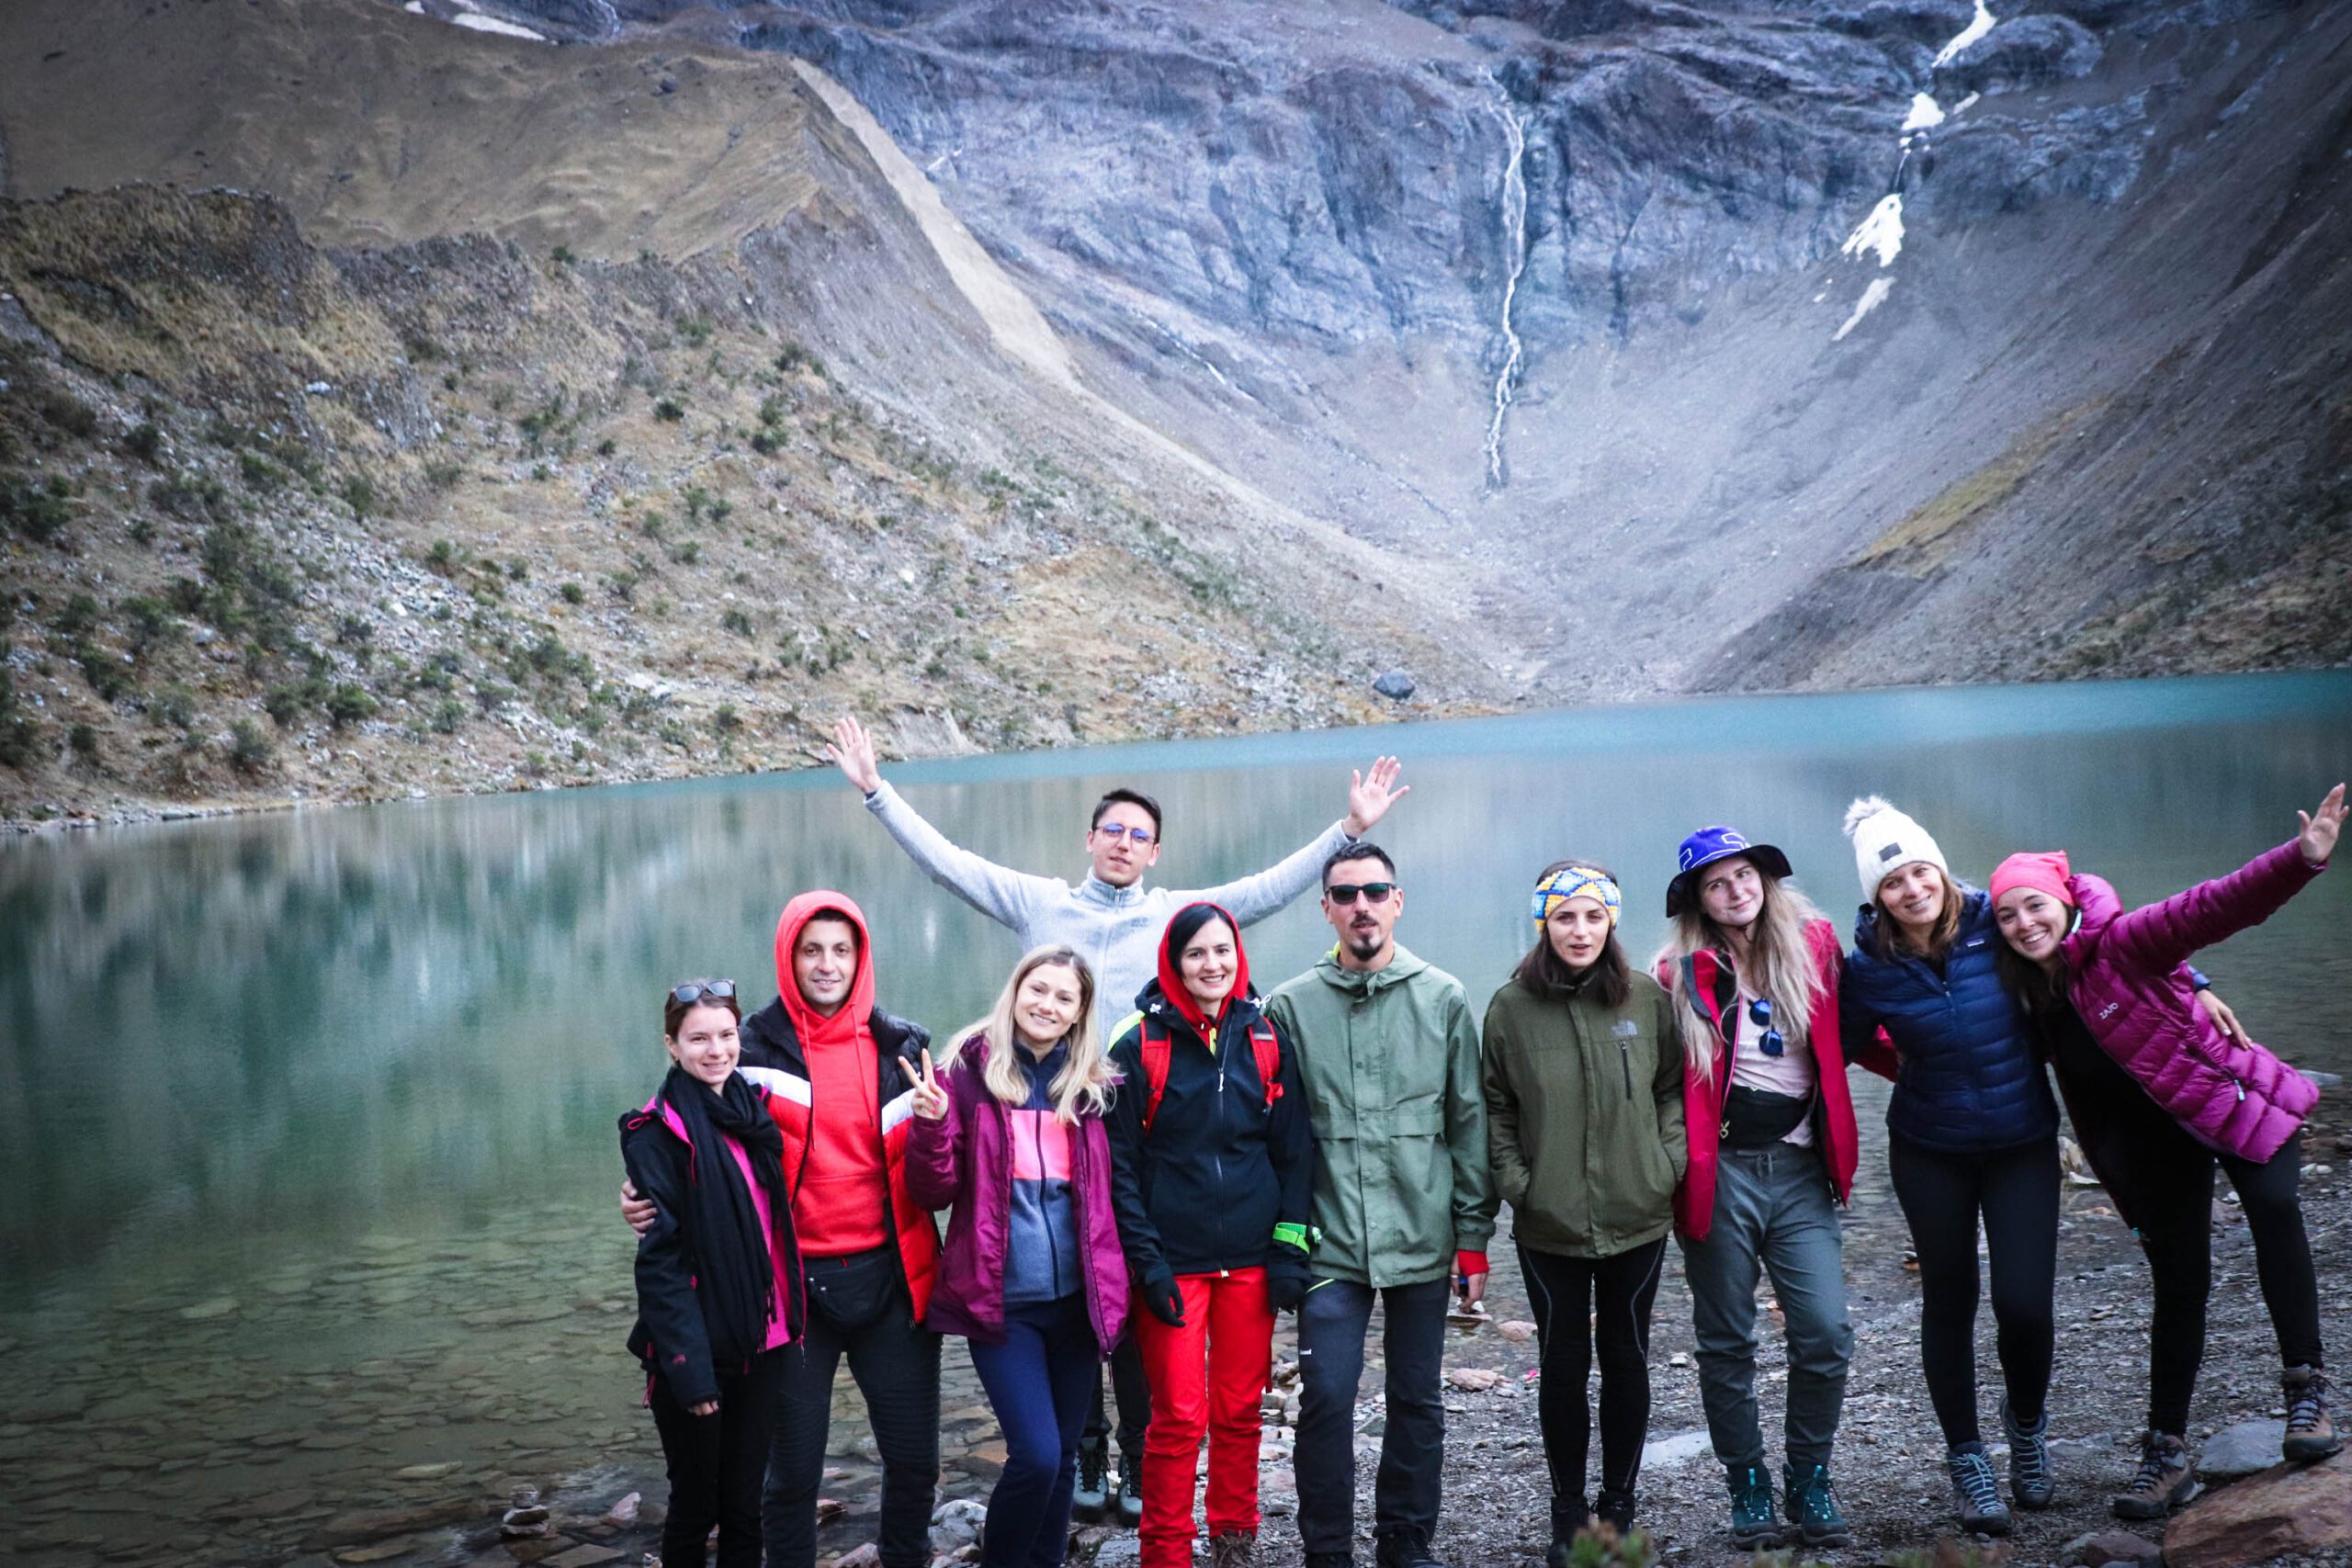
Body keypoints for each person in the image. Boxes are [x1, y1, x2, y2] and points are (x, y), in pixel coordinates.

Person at [823, 714, 1407, 1524]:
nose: (1125, 843)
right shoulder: (1041, 903)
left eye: (1140, 834)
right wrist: (877, 792)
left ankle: (1135, 1460)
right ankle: (1084, 1451)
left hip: (1133, 1132)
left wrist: (1347, 833)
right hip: (1045, 1120)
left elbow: (1268, 890)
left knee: (1128, 1307)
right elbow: (951, 865)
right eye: (1113, 830)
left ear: (1155, 851)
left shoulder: (1179, 915)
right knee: (1062, 1291)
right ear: (1090, 837)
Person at [1988, 784, 2343, 1518]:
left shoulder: (2124, 943)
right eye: (2007, 913)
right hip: (2154, 1151)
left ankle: (2308, 1395)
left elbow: (2215, 904)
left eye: (2035, 904)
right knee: (2180, 1285)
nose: (2024, 923)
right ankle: (2167, 1453)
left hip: (2233, 1103)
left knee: (2276, 1207)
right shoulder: (2028, 994)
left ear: (2064, 899)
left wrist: (2300, 860)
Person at [621, 894, 941, 1568]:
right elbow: (681, 1122)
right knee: (791, 1476)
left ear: (862, 958)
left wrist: (940, 1129)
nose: (827, 964)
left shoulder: (903, 1048)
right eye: (811, 949)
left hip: (892, 1281)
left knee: (914, 1461)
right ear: (788, 956)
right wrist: (643, 1191)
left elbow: (939, 1178)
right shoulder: (752, 1046)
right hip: (792, 1295)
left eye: (842, 949)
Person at [1262, 843, 1497, 1568]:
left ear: (1398, 900)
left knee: (1417, 1397)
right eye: (1346, 893)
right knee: (1328, 1396)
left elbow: (1469, 1123)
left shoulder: (1444, 996)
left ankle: (1404, 1541)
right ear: (1325, 906)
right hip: (1330, 1242)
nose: (1361, 904)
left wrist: (1473, 1239)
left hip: (1424, 1236)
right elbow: (1277, 1138)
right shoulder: (1291, 1005)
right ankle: (1328, 1550)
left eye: (1375, 890)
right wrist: (1282, 1239)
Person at [1653, 828, 1867, 1551]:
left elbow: (1868, 1023)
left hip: (1801, 1169)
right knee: (1725, 1339)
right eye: (1718, 883)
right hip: (1724, 1172)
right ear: (1700, 902)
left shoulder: (1815, 948)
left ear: (1765, 880)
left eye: (1745, 874)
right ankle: (1747, 1481)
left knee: (1826, 1330)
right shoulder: (1678, 974)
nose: (1736, 889)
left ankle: (1810, 1473)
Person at [1483, 862, 1685, 1560]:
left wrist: (1665, 1164)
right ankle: (1568, 1503)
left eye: (1593, 916)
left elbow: (1670, 1091)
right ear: (1545, 922)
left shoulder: (1648, 999)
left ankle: (1619, 1501)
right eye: (1565, 916)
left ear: (1611, 921)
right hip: (1550, 1221)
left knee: (1627, 1356)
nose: (1580, 929)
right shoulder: (1511, 1006)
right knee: (1562, 1362)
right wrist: (1520, 1183)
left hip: (1638, 1210)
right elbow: (1497, 1105)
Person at [904, 946, 1131, 1568]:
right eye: (1039, 989)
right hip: (1003, 1304)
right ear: (1016, 990)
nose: (1048, 1004)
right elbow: (934, 1190)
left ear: (1080, 1012)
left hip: (1078, 1305)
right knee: (1035, 1453)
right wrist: (929, 1123)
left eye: (1065, 997)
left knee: (1058, 1460)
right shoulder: (965, 1071)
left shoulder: (1093, 1086)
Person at [1105, 902, 1314, 1568]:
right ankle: (1165, 1551)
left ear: (1238, 955)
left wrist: (1289, 1247)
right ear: (1173, 961)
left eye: (1222, 950)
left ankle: (1233, 1536)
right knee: (1177, 1417)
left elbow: (1294, 1153)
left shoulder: (1266, 1038)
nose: (1212, 964)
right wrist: (1148, 1266)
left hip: (1251, 1261)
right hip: (1174, 1265)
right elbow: (1120, 1173)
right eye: (1196, 953)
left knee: (1239, 1408)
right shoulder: (1139, 1046)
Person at [619, 979, 801, 1568]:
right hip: (699, 1353)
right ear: (672, 1045)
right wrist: (690, 1376)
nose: (716, 1050)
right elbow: (662, 1266)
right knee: (697, 1508)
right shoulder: (657, 1132)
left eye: (726, 1035)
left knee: (745, 1507)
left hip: (764, 1341)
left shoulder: (751, 1109)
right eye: (698, 1038)